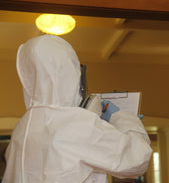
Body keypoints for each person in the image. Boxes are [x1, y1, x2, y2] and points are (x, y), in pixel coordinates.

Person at [3, 35, 152, 183]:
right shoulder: (76, 123)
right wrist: (124, 119)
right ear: (69, 71)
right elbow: (137, 159)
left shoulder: (22, 128)